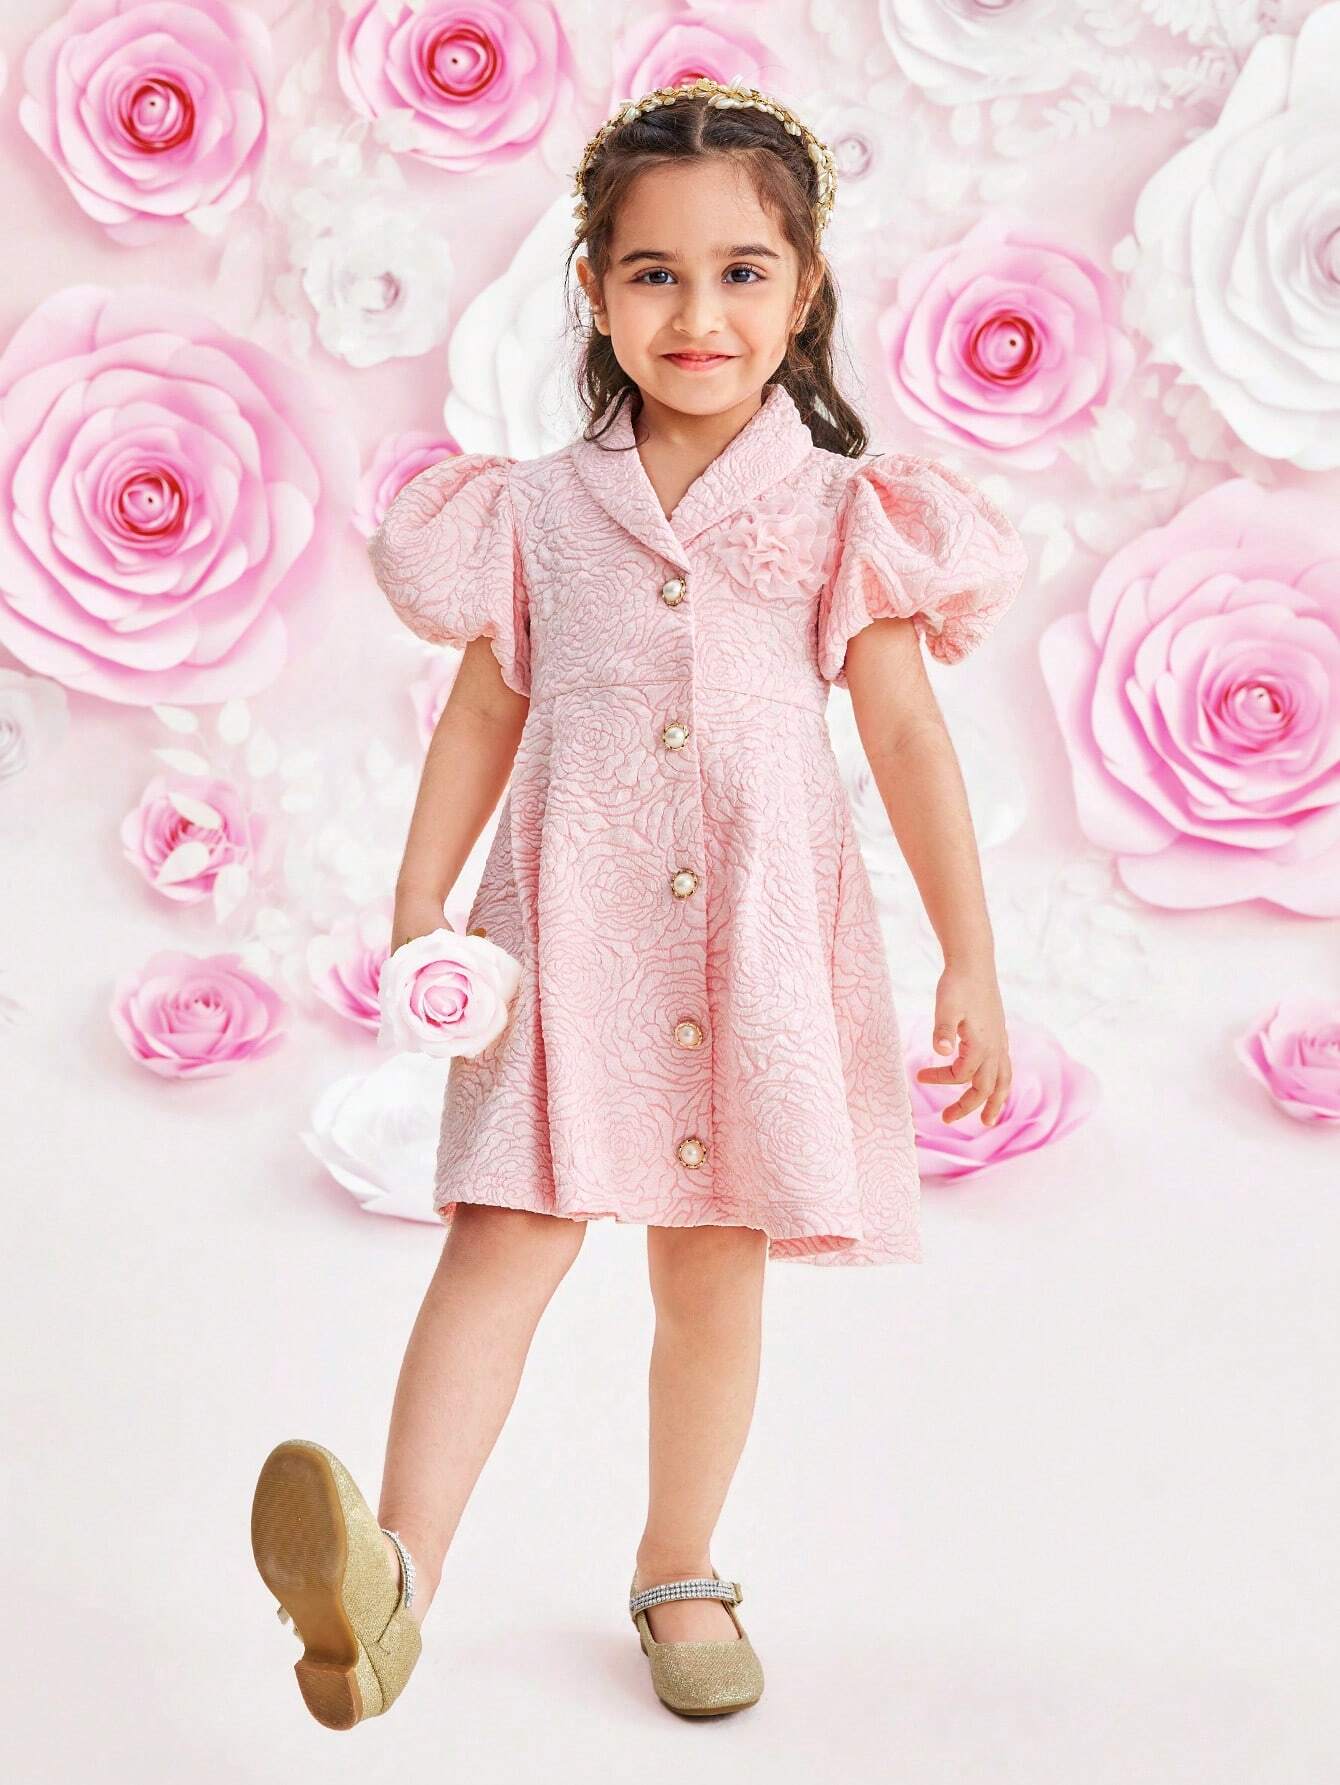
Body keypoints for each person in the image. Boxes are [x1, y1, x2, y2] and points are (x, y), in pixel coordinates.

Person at [250, 75, 1029, 1729]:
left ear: (803, 294)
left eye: (742, 272)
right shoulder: (534, 510)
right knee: (501, 1233)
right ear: (596, 291)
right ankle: (391, 1578)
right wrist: (421, 898)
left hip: (755, 941)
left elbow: (906, 734)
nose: (698, 313)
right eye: (655, 273)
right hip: (569, 933)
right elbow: (485, 710)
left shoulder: (843, 512)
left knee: (712, 1262)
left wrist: (971, 955)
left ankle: (681, 1562)